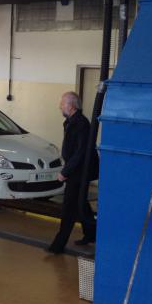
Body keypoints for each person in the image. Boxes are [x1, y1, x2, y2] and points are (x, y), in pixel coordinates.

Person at [47, 92, 98, 254]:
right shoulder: (71, 122)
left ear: (71, 106)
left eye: (62, 103)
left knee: (69, 207)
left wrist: (65, 171)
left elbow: (80, 152)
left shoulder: (81, 124)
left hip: (80, 171)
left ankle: (58, 245)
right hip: (76, 169)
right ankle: (91, 234)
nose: (60, 106)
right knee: (81, 203)